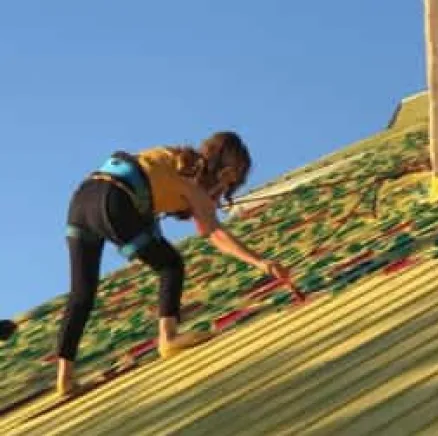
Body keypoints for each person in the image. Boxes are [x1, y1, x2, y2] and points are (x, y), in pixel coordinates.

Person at [56, 131, 289, 396]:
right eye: (227, 184)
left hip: (82, 200)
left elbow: (154, 188)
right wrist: (261, 263)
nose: (222, 193)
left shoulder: (176, 158)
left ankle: (65, 379)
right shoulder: (193, 184)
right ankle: (168, 338)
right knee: (170, 265)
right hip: (115, 199)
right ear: (225, 173)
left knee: (81, 294)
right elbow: (214, 233)